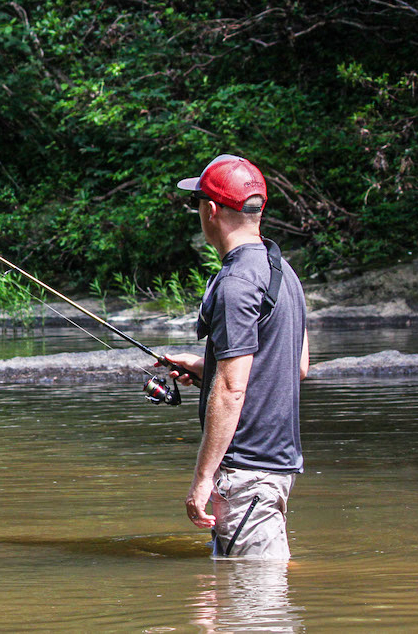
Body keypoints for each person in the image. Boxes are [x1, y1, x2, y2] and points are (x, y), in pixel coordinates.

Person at [162, 154, 309, 560]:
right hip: (276, 465)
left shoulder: (236, 284)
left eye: (199, 205)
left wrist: (202, 480)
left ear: (211, 211)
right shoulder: (282, 270)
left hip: (246, 471)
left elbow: (231, 389)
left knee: (255, 597)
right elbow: (295, 366)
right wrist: (202, 367)